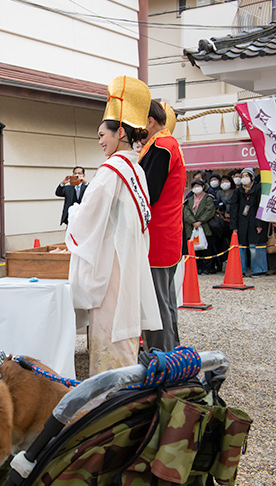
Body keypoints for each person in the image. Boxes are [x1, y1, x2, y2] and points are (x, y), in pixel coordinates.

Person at [65, 75, 162, 377]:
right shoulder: (136, 169)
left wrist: (75, 211)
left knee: (109, 340)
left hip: (111, 269)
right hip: (130, 263)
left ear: (120, 131)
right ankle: (129, 404)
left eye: (102, 135)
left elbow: (86, 221)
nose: (100, 142)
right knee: (126, 342)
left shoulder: (110, 171)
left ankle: (108, 409)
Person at [138, 100, 185, 353]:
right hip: (167, 233)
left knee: (156, 302)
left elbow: (147, 192)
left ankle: (161, 358)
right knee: (165, 300)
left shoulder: (161, 146)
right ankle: (171, 351)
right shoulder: (169, 144)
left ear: (150, 121)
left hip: (158, 234)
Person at [229, 168, 268, 277]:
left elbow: (261, 207)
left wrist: (260, 224)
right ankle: (240, 269)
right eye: (243, 176)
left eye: (246, 176)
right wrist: (234, 226)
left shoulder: (258, 189)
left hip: (255, 222)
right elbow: (234, 209)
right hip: (241, 222)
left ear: (252, 177)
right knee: (241, 247)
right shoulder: (237, 191)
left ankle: (258, 269)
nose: (244, 178)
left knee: (255, 246)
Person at [183, 178, 216, 275]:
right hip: (192, 227)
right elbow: (186, 212)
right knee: (194, 248)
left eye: (198, 186)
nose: (196, 188)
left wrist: (200, 221)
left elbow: (209, 211)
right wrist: (193, 222)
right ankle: (198, 267)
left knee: (206, 248)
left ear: (203, 187)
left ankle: (207, 267)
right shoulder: (189, 200)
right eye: (194, 186)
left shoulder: (208, 198)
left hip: (204, 225)